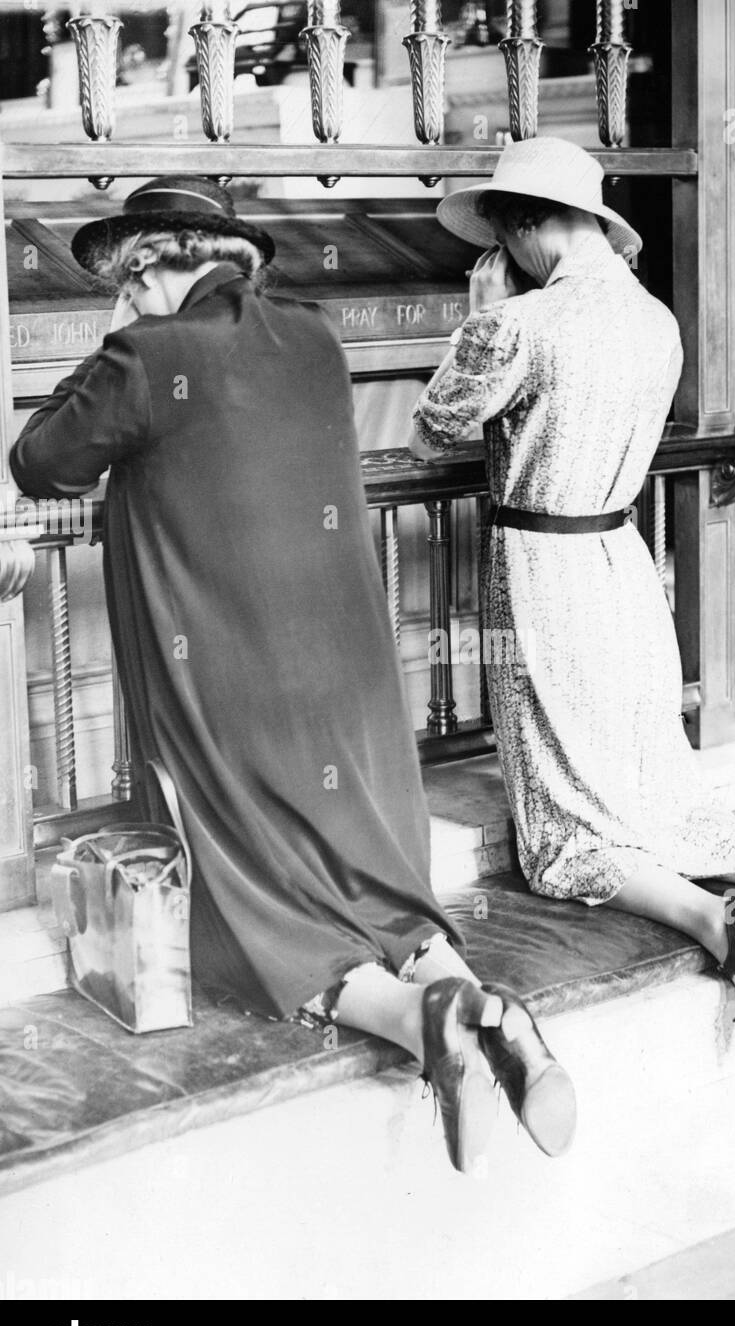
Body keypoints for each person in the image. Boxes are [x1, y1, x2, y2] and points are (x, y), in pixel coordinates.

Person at [10, 176, 576, 1174]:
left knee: (249, 909)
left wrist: (114, 338)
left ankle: (415, 1020)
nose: (127, 296)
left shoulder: (145, 356)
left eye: (129, 278)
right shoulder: (313, 337)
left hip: (227, 682)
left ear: (147, 266)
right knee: (369, 866)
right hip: (348, 676)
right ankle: (485, 1004)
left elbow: (39, 458)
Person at [410, 137, 735, 1062]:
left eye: (500, 236)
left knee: (567, 840)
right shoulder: (655, 322)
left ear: (527, 227)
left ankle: (719, 926)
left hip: (541, 576)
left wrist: (482, 318)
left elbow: (431, 428)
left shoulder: (521, 324)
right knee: (660, 798)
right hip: (622, 565)